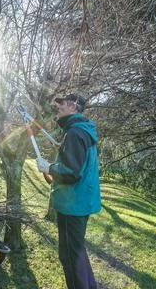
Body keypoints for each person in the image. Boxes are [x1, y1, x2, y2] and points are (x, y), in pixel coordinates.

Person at [36, 94, 101, 289]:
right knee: (77, 251)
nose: (58, 107)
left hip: (73, 204)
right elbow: (75, 165)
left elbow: (72, 173)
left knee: (70, 257)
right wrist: (53, 168)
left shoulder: (74, 133)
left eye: (61, 104)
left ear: (73, 106)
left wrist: (49, 168)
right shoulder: (81, 130)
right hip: (79, 201)